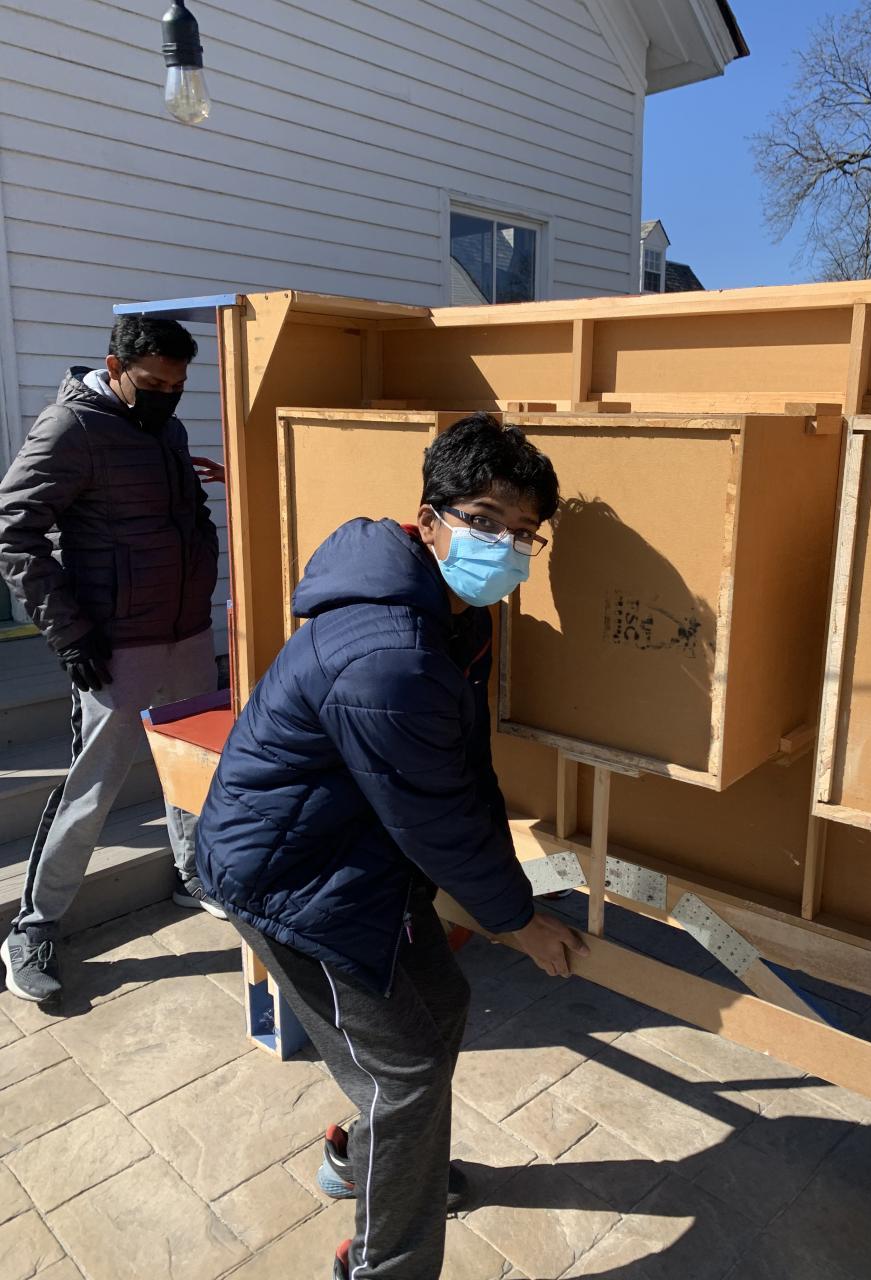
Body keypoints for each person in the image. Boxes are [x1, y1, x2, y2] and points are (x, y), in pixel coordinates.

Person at [196, 414, 589, 1280]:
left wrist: (499, 898)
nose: (505, 546)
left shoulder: (451, 616)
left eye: (524, 532)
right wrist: (517, 921)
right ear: (429, 520)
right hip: (295, 882)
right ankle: (385, 1265)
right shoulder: (390, 654)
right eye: (484, 520)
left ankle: (370, 1163)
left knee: (438, 1004)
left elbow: (454, 776)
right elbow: (434, 815)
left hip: (353, 857)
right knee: (404, 1074)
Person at [0, 314, 225, 1005]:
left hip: (186, 632)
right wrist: (68, 634)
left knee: (192, 766)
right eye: (154, 384)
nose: (167, 396)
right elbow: (15, 534)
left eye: (178, 386)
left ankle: (194, 876)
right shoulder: (71, 428)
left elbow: (182, 515)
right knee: (93, 787)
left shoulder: (167, 429)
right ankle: (32, 928)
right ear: (115, 367)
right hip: (115, 644)